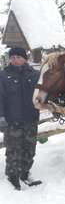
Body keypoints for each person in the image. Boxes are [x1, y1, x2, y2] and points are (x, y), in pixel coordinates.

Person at [0, 46, 41, 190]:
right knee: (13, 150)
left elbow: (42, 93)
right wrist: (1, 117)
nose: (16, 60)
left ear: (25, 58)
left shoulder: (34, 74)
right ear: (9, 59)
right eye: (13, 57)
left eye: (19, 57)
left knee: (30, 149)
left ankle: (24, 173)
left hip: (31, 119)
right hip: (12, 121)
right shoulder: (4, 75)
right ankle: (13, 176)